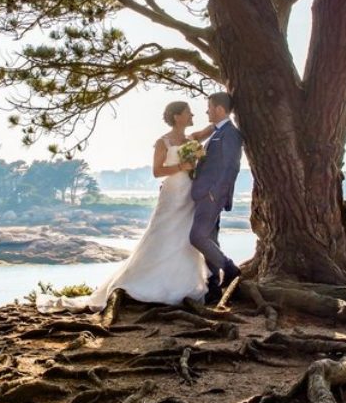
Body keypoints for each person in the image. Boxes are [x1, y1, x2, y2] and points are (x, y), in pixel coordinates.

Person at [37, 100, 214, 312]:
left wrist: (225, 114)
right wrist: (181, 166)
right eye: (188, 112)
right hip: (172, 193)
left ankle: (182, 286)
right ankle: (145, 284)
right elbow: (157, 171)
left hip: (189, 193)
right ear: (177, 116)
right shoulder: (163, 142)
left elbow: (209, 130)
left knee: (184, 237)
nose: (192, 115)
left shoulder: (190, 139)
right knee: (162, 235)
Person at [189, 91, 243, 304]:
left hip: (211, 196)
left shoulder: (230, 134)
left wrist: (215, 192)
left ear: (220, 109)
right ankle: (214, 289)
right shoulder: (217, 132)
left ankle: (230, 268)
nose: (207, 111)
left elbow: (231, 166)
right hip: (204, 194)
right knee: (210, 239)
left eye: (209, 107)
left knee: (197, 237)